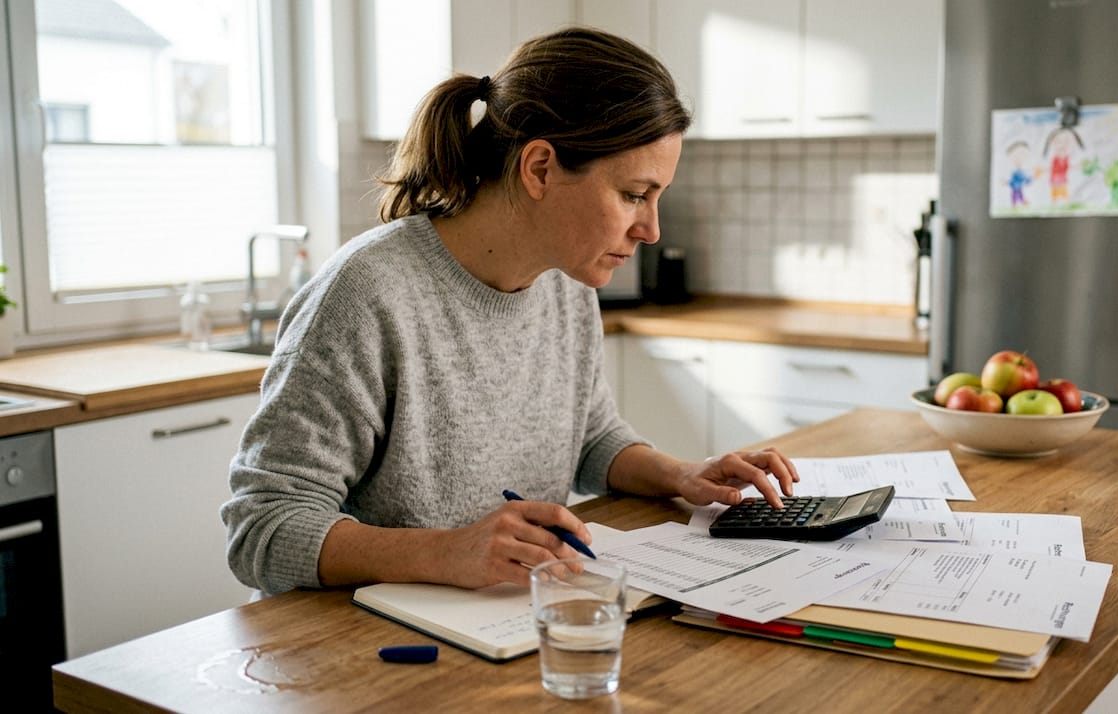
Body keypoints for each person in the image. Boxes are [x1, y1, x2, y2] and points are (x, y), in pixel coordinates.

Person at [221, 27, 799, 596]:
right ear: (540, 168)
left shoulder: (565, 282)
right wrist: (448, 552)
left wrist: (682, 474)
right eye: (633, 195)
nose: (651, 230)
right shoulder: (365, 295)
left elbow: (591, 437)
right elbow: (262, 527)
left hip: (507, 621)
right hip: (357, 639)